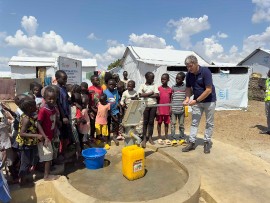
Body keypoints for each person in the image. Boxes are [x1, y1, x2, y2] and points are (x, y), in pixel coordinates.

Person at [182, 55, 216, 154]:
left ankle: (206, 142)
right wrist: (187, 98)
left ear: (196, 63)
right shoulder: (189, 74)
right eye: (187, 66)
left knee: (209, 123)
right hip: (197, 101)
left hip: (209, 101)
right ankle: (192, 142)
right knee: (194, 122)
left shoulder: (206, 72)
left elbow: (208, 90)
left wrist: (196, 101)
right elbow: (188, 88)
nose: (189, 68)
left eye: (190, 66)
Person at [16, 98, 44, 184]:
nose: (36, 106)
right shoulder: (26, 119)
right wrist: (36, 135)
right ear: (29, 108)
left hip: (31, 143)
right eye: (34, 105)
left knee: (31, 160)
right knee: (25, 162)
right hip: (26, 144)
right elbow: (22, 133)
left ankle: (25, 176)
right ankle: (22, 180)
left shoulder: (29, 115)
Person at [37, 86, 60, 181]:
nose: (51, 100)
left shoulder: (53, 109)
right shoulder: (43, 110)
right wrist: (44, 136)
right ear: (45, 99)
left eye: (53, 99)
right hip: (44, 137)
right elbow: (38, 123)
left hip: (50, 135)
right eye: (49, 99)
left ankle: (45, 171)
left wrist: (54, 131)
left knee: (47, 155)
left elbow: (53, 121)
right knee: (47, 156)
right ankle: (46, 176)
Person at [138, 72, 159, 148]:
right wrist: (150, 93)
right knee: (145, 122)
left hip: (153, 105)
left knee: (151, 122)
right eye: (151, 78)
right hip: (145, 105)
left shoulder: (155, 85)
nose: (153, 79)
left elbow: (157, 95)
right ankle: (144, 138)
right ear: (147, 78)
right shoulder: (142, 85)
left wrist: (145, 94)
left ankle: (150, 137)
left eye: (153, 77)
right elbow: (140, 94)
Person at [55, 70, 71, 159]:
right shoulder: (57, 89)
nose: (65, 81)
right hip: (61, 116)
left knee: (66, 135)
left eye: (66, 79)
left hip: (66, 114)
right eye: (64, 79)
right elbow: (58, 104)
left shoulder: (64, 88)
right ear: (57, 79)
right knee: (61, 136)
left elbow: (67, 99)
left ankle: (63, 152)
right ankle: (60, 154)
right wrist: (63, 116)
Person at [103, 79, 121, 146]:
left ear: (115, 86)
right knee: (107, 124)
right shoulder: (105, 92)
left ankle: (114, 136)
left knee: (115, 124)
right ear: (107, 85)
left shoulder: (116, 91)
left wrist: (119, 104)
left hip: (115, 111)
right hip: (107, 111)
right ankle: (107, 138)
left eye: (113, 85)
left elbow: (118, 99)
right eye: (110, 84)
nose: (111, 86)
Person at [171, 72, 186, 145]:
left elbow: (189, 95)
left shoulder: (185, 87)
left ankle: (182, 138)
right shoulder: (173, 87)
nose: (177, 80)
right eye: (176, 78)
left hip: (181, 110)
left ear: (183, 79)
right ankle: (173, 138)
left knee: (181, 125)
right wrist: (170, 107)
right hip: (174, 109)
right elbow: (171, 98)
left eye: (179, 79)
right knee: (173, 124)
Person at [156, 73, 172, 145]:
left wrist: (171, 108)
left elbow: (171, 99)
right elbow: (156, 100)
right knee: (159, 123)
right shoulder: (158, 89)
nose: (163, 80)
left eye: (164, 79)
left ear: (168, 80)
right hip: (160, 109)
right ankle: (159, 137)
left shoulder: (170, 90)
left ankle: (166, 137)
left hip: (167, 110)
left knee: (166, 124)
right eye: (162, 79)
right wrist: (157, 109)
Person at [88, 75, 103, 141]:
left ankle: (98, 136)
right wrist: (91, 109)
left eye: (98, 79)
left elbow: (102, 98)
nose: (98, 81)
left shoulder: (101, 88)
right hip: (92, 109)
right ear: (92, 81)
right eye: (96, 80)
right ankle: (91, 136)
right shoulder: (89, 89)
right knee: (92, 123)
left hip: (99, 109)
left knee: (99, 123)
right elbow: (88, 100)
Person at [260, 70, 270, 134]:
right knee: (268, 115)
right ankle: (269, 129)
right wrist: (262, 88)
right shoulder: (267, 81)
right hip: (267, 100)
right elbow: (267, 89)